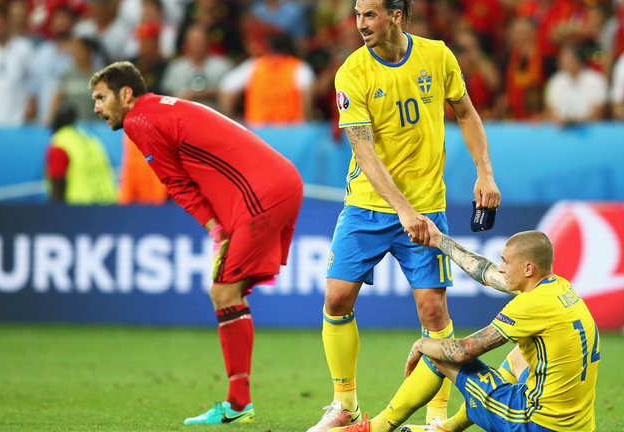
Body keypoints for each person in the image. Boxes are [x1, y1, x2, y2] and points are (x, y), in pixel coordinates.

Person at [307, 1, 501, 432]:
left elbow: (466, 112)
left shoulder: (438, 55)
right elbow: (363, 149)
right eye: (357, 15)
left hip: (427, 206)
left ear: (397, 15)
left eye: (370, 14)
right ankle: (345, 405)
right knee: (337, 298)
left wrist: (485, 173)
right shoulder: (352, 72)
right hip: (368, 205)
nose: (360, 24)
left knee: (433, 311)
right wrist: (402, 209)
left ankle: (435, 418)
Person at [89, 61, 304, 425]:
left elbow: (177, 184)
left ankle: (239, 404)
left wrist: (216, 232)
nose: (96, 107)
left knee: (223, 292)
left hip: (261, 194)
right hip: (278, 184)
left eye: (100, 97)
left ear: (126, 95)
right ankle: (239, 402)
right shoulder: (161, 107)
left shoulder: (139, 120)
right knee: (229, 292)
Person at [400, 224, 600, 432]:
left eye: (505, 261)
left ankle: (379, 426)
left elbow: (462, 352)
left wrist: (422, 343)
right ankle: (446, 428)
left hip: (538, 424)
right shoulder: (560, 287)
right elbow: (486, 272)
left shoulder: (529, 305)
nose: (501, 268)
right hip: (578, 424)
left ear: (528, 269)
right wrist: (440, 240)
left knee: (439, 353)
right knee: (518, 355)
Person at [45, 104, 117, 204]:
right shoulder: (90, 140)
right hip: (108, 203)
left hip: (80, 209)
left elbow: (58, 187)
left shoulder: (59, 144)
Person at [544, 43, 607, 126]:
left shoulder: (596, 80)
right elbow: (550, 110)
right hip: (561, 130)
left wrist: (575, 122)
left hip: (589, 130)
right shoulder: (556, 80)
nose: (560, 61)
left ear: (577, 60)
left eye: (565, 58)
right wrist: (558, 120)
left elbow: (598, 113)